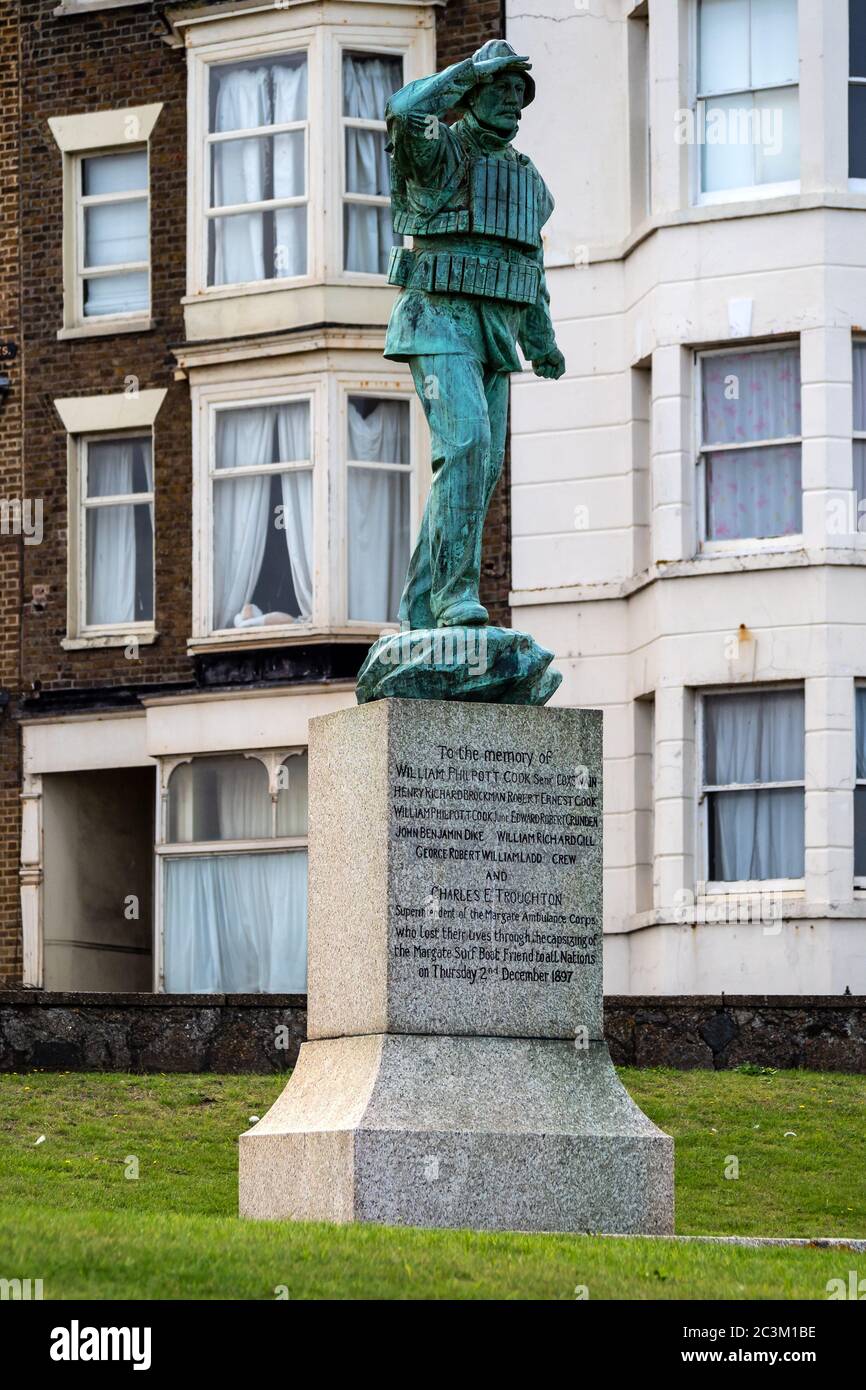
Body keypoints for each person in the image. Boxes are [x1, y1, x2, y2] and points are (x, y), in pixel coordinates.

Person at [383, 39, 566, 631]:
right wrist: (467, 70)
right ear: (477, 94)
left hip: (497, 333)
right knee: (465, 448)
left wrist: (542, 344)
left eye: (521, 97)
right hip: (436, 319)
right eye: (504, 92)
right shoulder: (440, 151)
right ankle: (455, 598)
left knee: (477, 471)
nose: (515, 105)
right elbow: (406, 110)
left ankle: (420, 611)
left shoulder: (529, 181)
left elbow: (529, 269)